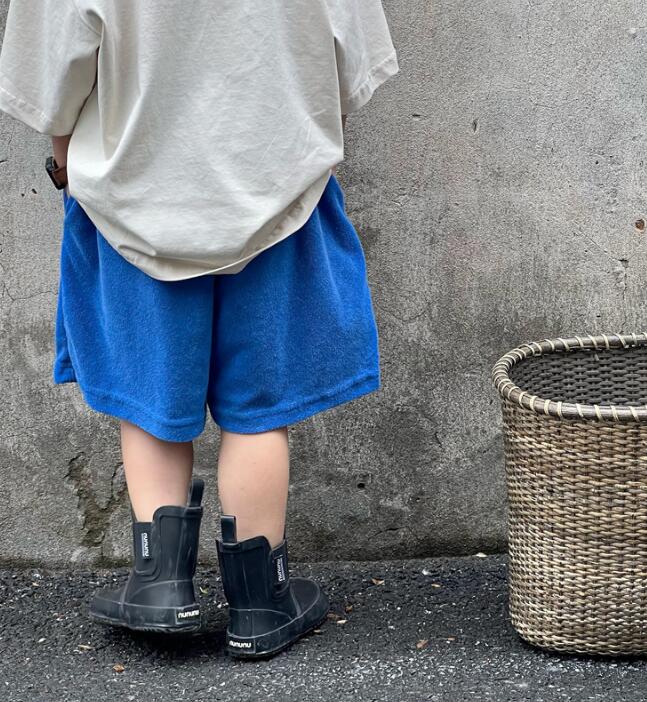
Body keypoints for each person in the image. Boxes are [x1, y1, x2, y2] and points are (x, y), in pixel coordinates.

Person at [0, 0, 399, 658]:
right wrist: (313, 151)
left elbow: (49, 73)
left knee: (151, 394)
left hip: (131, 198)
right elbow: (347, 57)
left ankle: (161, 586)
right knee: (258, 406)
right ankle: (260, 603)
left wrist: (66, 166)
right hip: (277, 193)